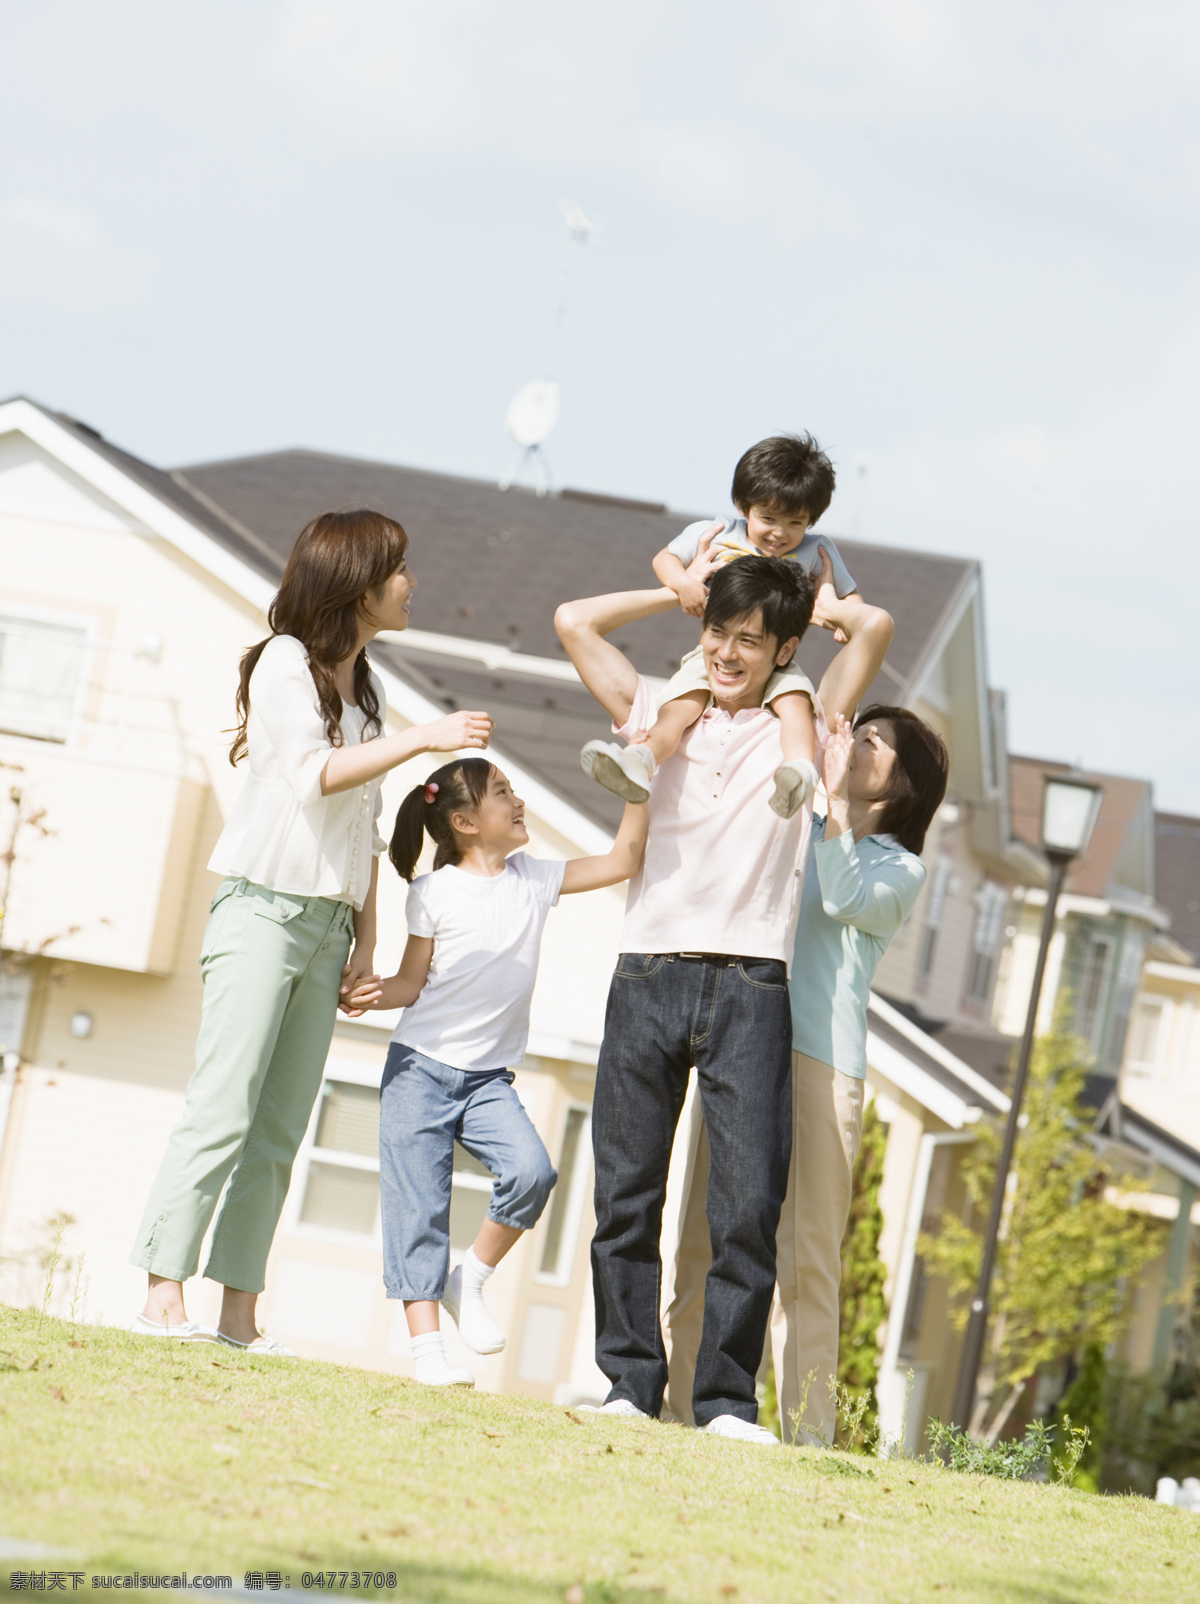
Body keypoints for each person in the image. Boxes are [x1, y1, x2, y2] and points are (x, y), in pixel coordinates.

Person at [130, 510, 493, 1353]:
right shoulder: (283, 664)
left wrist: (365, 944)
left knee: (282, 1126)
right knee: (221, 1109)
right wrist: (427, 739)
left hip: (328, 926)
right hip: (261, 911)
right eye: (399, 571)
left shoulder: (367, 690)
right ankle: (159, 1294)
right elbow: (313, 775)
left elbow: (362, 832)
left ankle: (237, 1314)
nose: (411, 585)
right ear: (359, 583)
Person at [554, 555, 894, 1443]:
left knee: (746, 1205)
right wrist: (680, 588)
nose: (728, 654)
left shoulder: (810, 726)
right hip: (646, 971)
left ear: (784, 651)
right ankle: (629, 1383)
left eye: (750, 641)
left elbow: (874, 628)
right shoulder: (659, 714)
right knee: (626, 1194)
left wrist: (815, 601)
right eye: (718, 635)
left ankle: (725, 1403)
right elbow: (575, 622)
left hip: (751, 981)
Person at [663, 704, 948, 1443]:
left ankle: (809, 1435)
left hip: (822, 1064)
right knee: (702, 1233)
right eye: (859, 731)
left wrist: (825, 800)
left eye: (877, 742)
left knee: (809, 1257)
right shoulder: (801, 818)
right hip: (742, 1039)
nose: (859, 743)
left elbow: (842, 895)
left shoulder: (901, 868)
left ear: (906, 785)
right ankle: (681, 1410)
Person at [345, 759, 648, 1388]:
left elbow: (623, 859)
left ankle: (471, 1279)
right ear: (464, 822)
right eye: (503, 793)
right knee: (418, 1211)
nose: (519, 800)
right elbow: (411, 982)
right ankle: (429, 1356)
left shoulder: (534, 879)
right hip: (419, 1071)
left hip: (488, 1082)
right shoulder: (433, 895)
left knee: (532, 1172)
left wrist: (639, 787)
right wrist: (368, 994)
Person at [581, 433, 857, 820]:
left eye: (795, 522)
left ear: (811, 521)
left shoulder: (817, 550)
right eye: (768, 518)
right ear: (743, 506)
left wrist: (843, 620)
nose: (779, 533)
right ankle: (641, 759)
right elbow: (665, 560)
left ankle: (797, 771)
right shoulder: (717, 533)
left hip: (775, 656)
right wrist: (684, 585)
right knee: (678, 708)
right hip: (715, 653)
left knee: (796, 705)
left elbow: (850, 597)